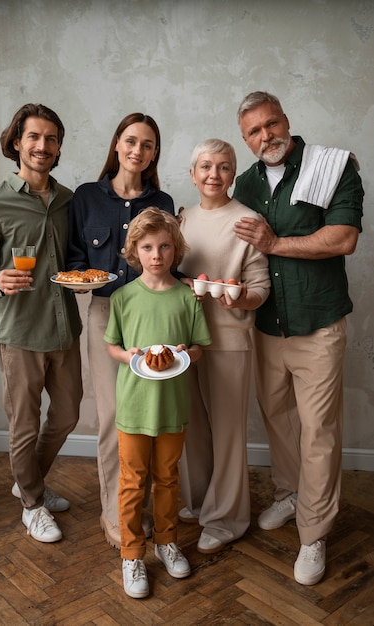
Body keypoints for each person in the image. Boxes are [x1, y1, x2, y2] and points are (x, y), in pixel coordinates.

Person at [232, 91, 364, 585]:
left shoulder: (332, 166)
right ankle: (290, 493)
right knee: (279, 419)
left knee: (319, 433)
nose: (266, 136)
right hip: (267, 325)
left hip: (318, 325)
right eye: (254, 131)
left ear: (286, 120)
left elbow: (343, 238)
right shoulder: (243, 184)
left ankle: (314, 533)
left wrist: (275, 243)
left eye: (271, 124)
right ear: (245, 138)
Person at [0, 103, 83, 543]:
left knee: (67, 415)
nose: (42, 146)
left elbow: (77, 261)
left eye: (51, 138)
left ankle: (28, 481)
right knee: (24, 426)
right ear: (17, 142)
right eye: (34, 137)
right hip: (20, 334)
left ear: (58, 146)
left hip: (65, 328)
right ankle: (32, 505)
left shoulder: (70, 199)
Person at [66, 113, 175, 549]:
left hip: (152, 316)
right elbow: (75, 260)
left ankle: (138, 502)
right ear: (116, 144)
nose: (137, 150)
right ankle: (115, 511)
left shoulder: (163, 202)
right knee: (114, 416)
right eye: (131, 141)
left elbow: (167, 260)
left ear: (153, 154)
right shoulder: (86, 197)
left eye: (147, 145)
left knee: (147, 415)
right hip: (105, 315)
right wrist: (88, 278)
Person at [103, 207, 211, 598]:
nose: (157, 254)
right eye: (148, 247)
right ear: (135, 250)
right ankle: (132, 554)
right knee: (132, 481)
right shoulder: (123, 297)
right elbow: (112, 346)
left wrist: (185, 353)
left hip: (172, 407)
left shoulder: (187, 297)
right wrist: (130, 355)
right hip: (133, 406)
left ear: (175, 249)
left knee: (167, 477)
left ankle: (167, 541)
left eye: (165, 246)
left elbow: (200, 348)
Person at [177, 138, 271, 554]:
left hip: (229, 339)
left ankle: (228, 518)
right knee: (192, 428)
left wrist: (239, 295)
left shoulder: (248, 219)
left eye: (224, 167)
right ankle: (199, 502)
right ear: (193, 173)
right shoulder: (181, 219)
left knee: (229, 433)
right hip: (186, 338)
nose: (214, 175)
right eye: (206, 167)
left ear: (235, 173)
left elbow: (260, 289)